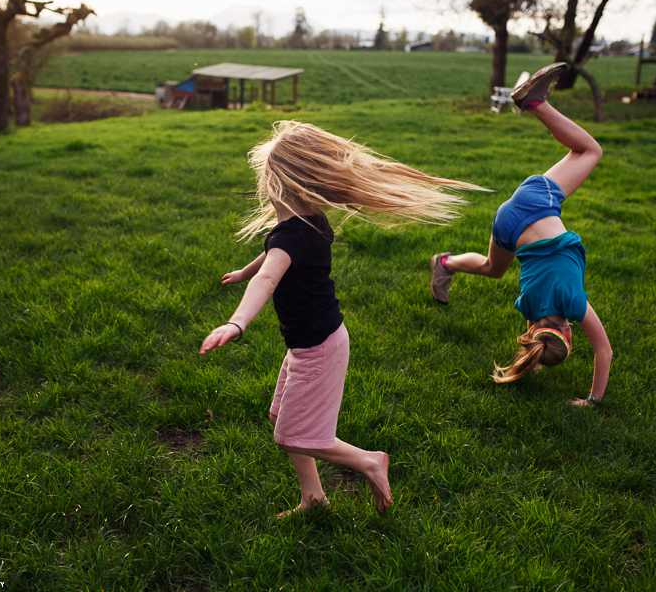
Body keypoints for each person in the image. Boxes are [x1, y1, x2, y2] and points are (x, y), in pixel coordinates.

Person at [200, 121, 480, 516]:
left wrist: (236, 322)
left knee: (291, 436)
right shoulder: (306, 223)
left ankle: (368, 460)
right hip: (316, 342)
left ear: (279, 181)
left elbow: (270, 276)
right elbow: (269, 260)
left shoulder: (290, 236)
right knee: (280, 417)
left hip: (316, 348)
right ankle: (314, 497)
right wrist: (245, 271)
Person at [429, 63, 613, 407]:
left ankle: (535, 103)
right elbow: (539, 327)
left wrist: (593, 399)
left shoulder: (574, 301)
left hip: (536, 202)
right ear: (533, 333)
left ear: (569, 332)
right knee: (491, 268)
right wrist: (534, 354)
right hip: (509, 222)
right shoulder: (527, 306)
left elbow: (604, 350)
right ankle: (445, 263)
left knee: (590, 151)